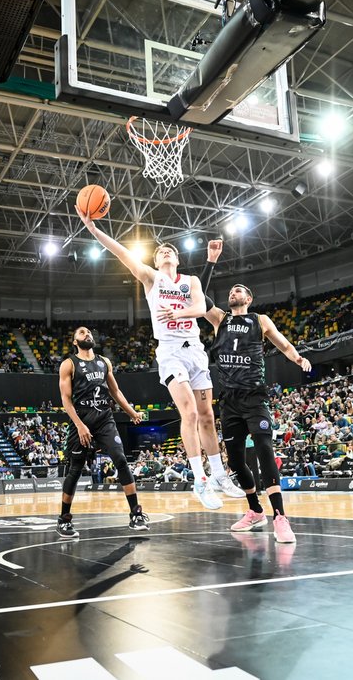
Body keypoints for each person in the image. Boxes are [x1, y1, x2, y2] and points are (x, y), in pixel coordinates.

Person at [77, 209, 243, 509]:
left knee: (207, 416)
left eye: (170, 250)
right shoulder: (151, 278)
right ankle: (200, 480)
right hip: (170, 352)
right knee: (190, 413)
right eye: (161, 251)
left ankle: (219, 474)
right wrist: (93, 229)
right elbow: (121, 252)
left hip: (195, 350)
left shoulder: (191, 281)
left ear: (177, 259)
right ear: (155, 261)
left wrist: (179, 312)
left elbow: (199, 307)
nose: (166, 252)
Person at [202, 281, 312, 543]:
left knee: (264, 451)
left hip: (254, 396)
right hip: (229, 401)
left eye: (239, 290)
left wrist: (298, 358)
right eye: (230, 290)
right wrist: (210, 263)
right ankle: (255, 510)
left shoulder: (259, 320)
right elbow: (198, 294)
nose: (233, 293)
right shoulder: (220, 319)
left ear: (249, 298)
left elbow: (284, 345)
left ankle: (280, 517)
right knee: (236, 462)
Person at [56, 327, 148, 538]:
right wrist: (79, 425)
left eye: (88, 332)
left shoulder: (104, 362)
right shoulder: (69, 364)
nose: (86, 334)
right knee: (75, 470)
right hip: (82, 420)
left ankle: (136, 514)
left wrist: (132, 412)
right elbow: (66, 400)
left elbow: (115, 391)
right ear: (74, 341)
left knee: (120, 459)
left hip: (104, 419)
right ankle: (64, 519)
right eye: (81, 332)